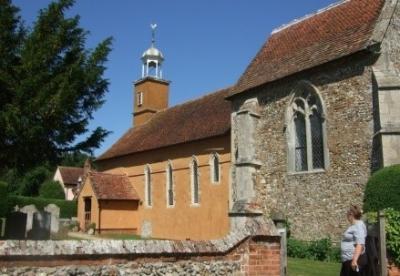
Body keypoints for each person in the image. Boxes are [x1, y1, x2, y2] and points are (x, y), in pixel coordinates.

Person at [340, 205, 367, 276]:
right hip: (348, 260)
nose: (346, 215)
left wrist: (354, 260)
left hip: (354, 260)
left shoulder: (358, 226)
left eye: (347, 213)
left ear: (351, 214)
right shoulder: (354, 225)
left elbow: (360, 244)